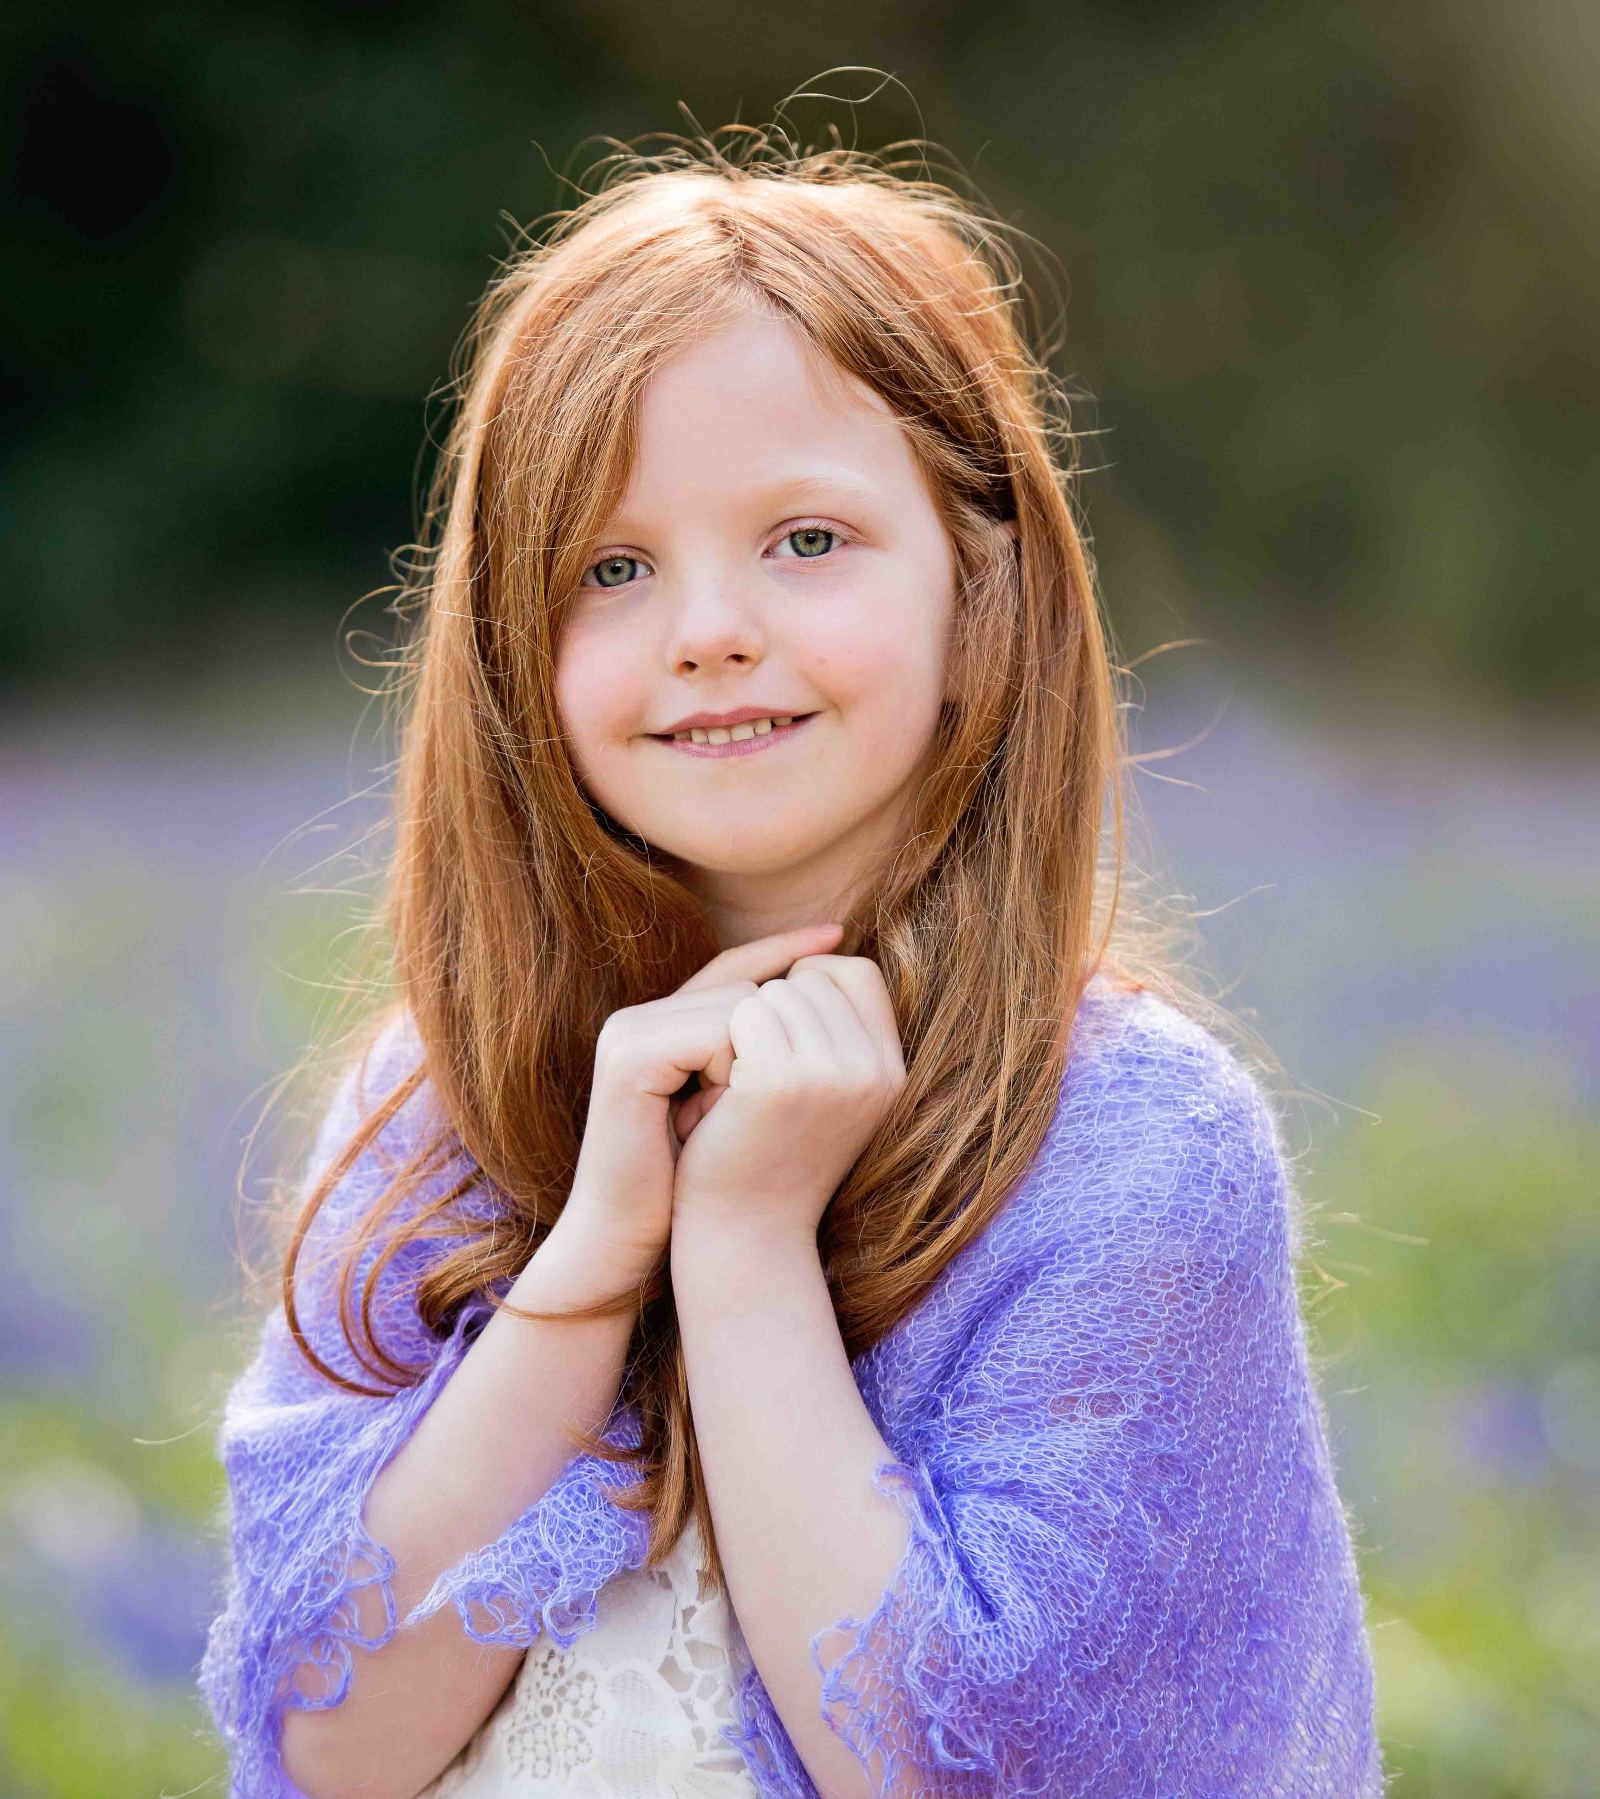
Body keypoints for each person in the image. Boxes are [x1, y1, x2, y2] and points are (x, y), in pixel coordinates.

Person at [197, 121, 1384, 1799]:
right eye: (610, 568)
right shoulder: (433, 1106)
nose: (707, 627)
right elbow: (327, 1734)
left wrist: (745, 1246)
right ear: (508, 654)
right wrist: (596, 1262)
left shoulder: (1133, 1156)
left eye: (806, 539)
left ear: (983, 595)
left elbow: (960, 1769)